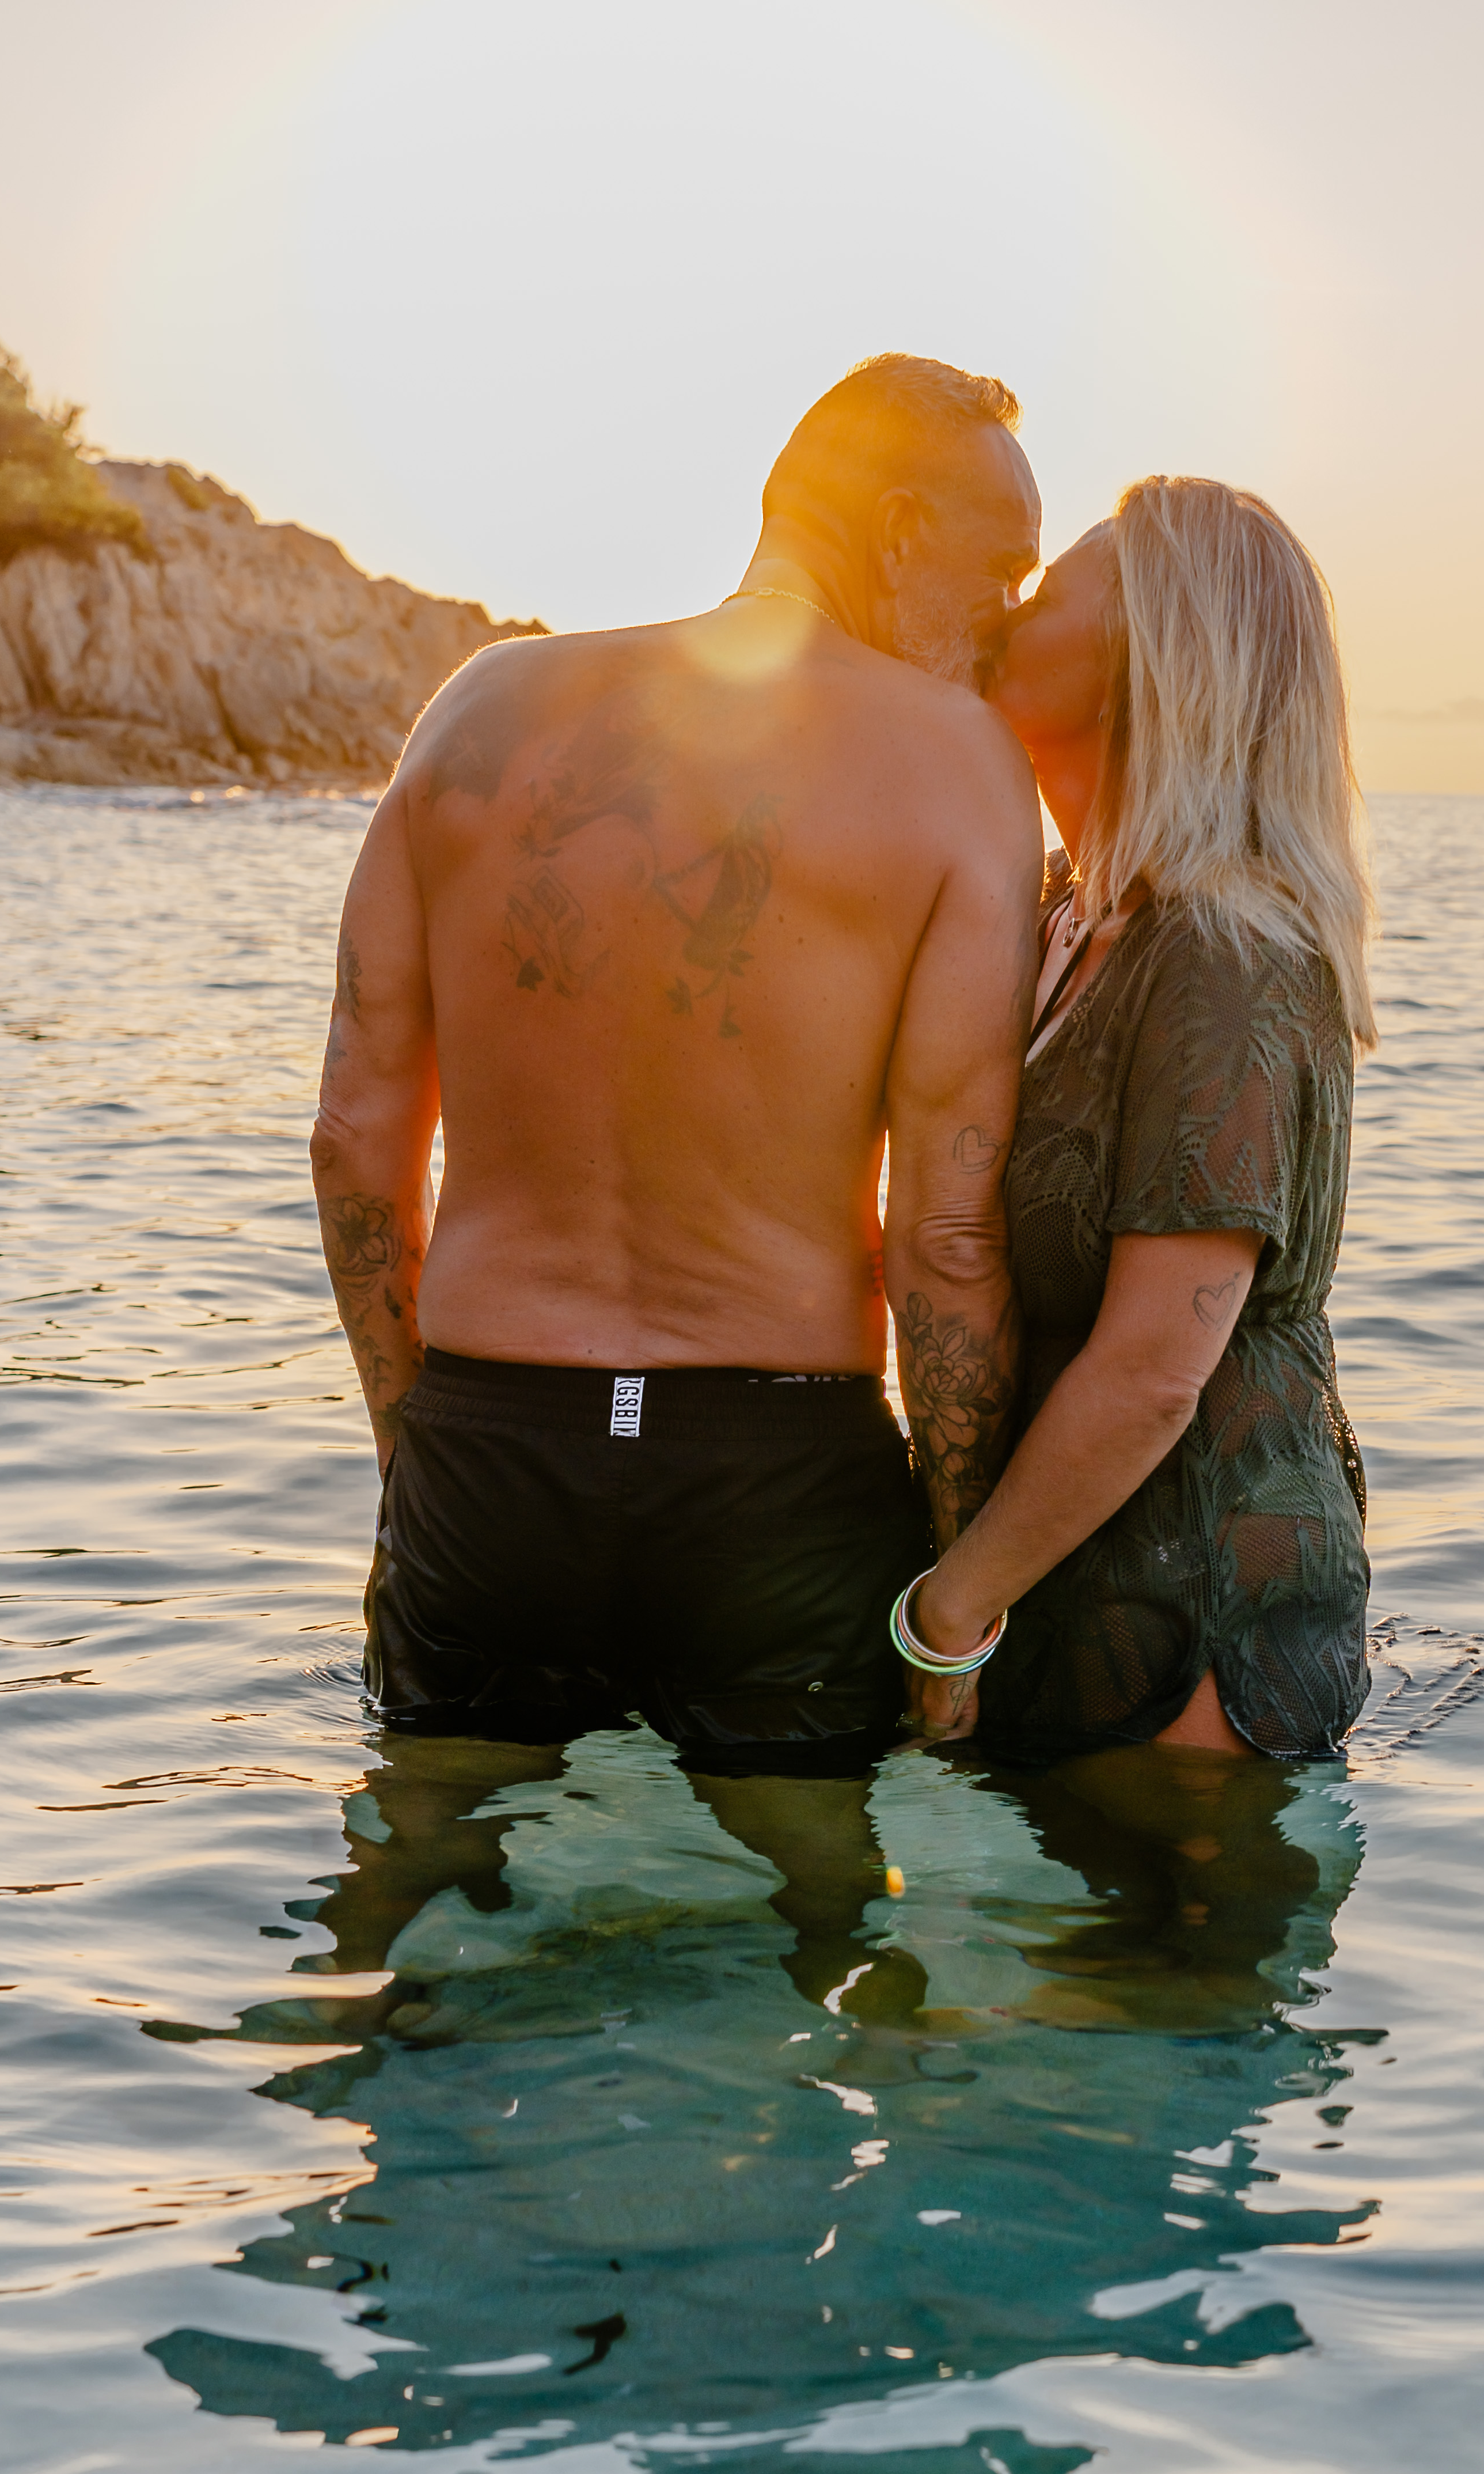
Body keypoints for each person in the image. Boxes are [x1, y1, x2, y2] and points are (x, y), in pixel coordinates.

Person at [309, 355, 1043, 1964]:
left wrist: (416, 1451)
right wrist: (956, 1592)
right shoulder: (958, 765)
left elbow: (358, 1141)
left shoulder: (479, 711)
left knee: (400, 1930)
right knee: (825, 1939)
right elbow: (945, 1238)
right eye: (999, 569)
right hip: (769, 1479)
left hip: (490, 1442)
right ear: (898, 531)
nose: (1008, 617)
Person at [900, 475, 1376, 1766]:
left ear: (1142, 660)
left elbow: (1157, 1366)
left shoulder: (1226, 951)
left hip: (1196, 1644)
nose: (1004, 612)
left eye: (1043, 593)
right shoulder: (1063, 914)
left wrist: (947, 1616)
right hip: (1055, 1596)